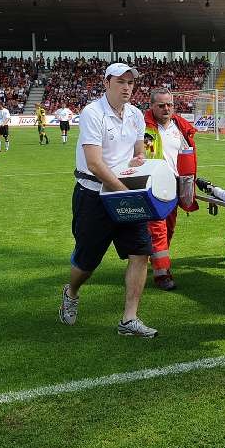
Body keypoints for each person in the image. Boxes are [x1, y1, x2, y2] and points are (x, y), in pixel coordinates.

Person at [59, 62, 157, 338]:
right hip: (94, 195)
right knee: (87, 262)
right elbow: (94, 163)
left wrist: (140, 160)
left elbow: (139, 150)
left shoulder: (136, 115)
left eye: (130, 83)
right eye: (121, 82)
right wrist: (123, 190)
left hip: (124, 192)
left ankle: (129, 319)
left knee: (140, 253)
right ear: (106, 83)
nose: (127, 87)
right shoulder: (93, 113)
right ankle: (72, 291)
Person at [143, 87, 198, 291]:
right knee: (158, 229)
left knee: (169, 228)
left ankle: (156, 260)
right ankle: (162, 274)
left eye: (169, 105)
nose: (166, 109)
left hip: (176, 185)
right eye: (161, 105)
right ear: (151, 106)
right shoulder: (144, 127)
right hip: (153, 185)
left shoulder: (180, 127)